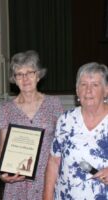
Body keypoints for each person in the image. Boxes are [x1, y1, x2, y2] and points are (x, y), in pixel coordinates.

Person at [0, 50, 63, 199]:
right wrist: (3, 172)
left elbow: (62, 144)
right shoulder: (5, 109)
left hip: (47, 178)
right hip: (17, 180)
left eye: (30, 73)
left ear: (38, 75)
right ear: (14, 79)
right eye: (19, 74)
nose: (25, 78)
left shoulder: (54, 104)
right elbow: (3, 146)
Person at [43, 62, 108, 199]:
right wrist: (47, 197)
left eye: (95, 85)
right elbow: (54, 162)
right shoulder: (65, 120)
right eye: (83, 85)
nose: (88, 90)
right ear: (77, 91)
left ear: (106, 90)